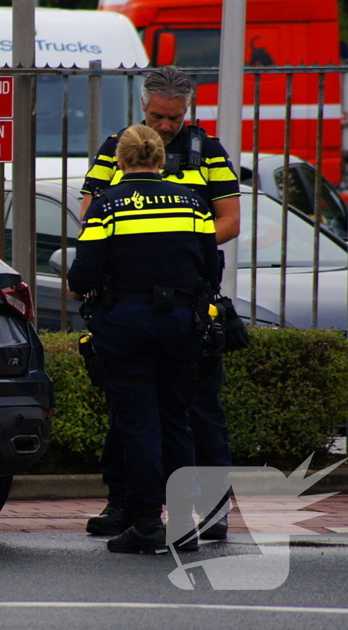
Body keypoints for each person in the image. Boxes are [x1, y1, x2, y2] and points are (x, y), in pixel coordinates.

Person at [80, 67, 239, 541]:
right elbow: (89, 211)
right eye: (157, 117)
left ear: (187, 111)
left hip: (184, 297)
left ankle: (209, 511)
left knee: (200, 411)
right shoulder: (117, 147)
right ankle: (125, 504)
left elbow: (229, 220)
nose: (166, 126)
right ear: (143, 107)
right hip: (141, 298)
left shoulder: (207, 151)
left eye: (174, 117)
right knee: (132, 415)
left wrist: (168, 243)